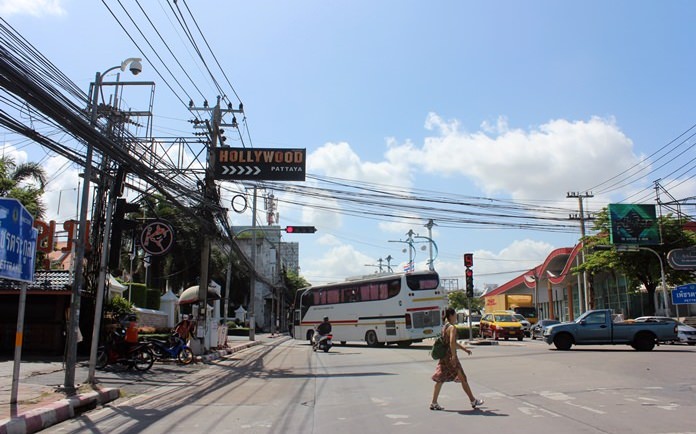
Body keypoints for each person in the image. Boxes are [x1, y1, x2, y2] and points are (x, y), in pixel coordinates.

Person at [430, 307, 484, 411]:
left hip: (444, 357)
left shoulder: (444, 327)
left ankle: (434, 402)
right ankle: (473, 400)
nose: (456, 317)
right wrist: (454, 356)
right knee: (462, 378)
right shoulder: (452, 328)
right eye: (455, 315)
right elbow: (452, 342)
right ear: (451, 316)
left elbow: (452, 342)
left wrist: (464, 349)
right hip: (451, 357)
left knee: (440, 379)